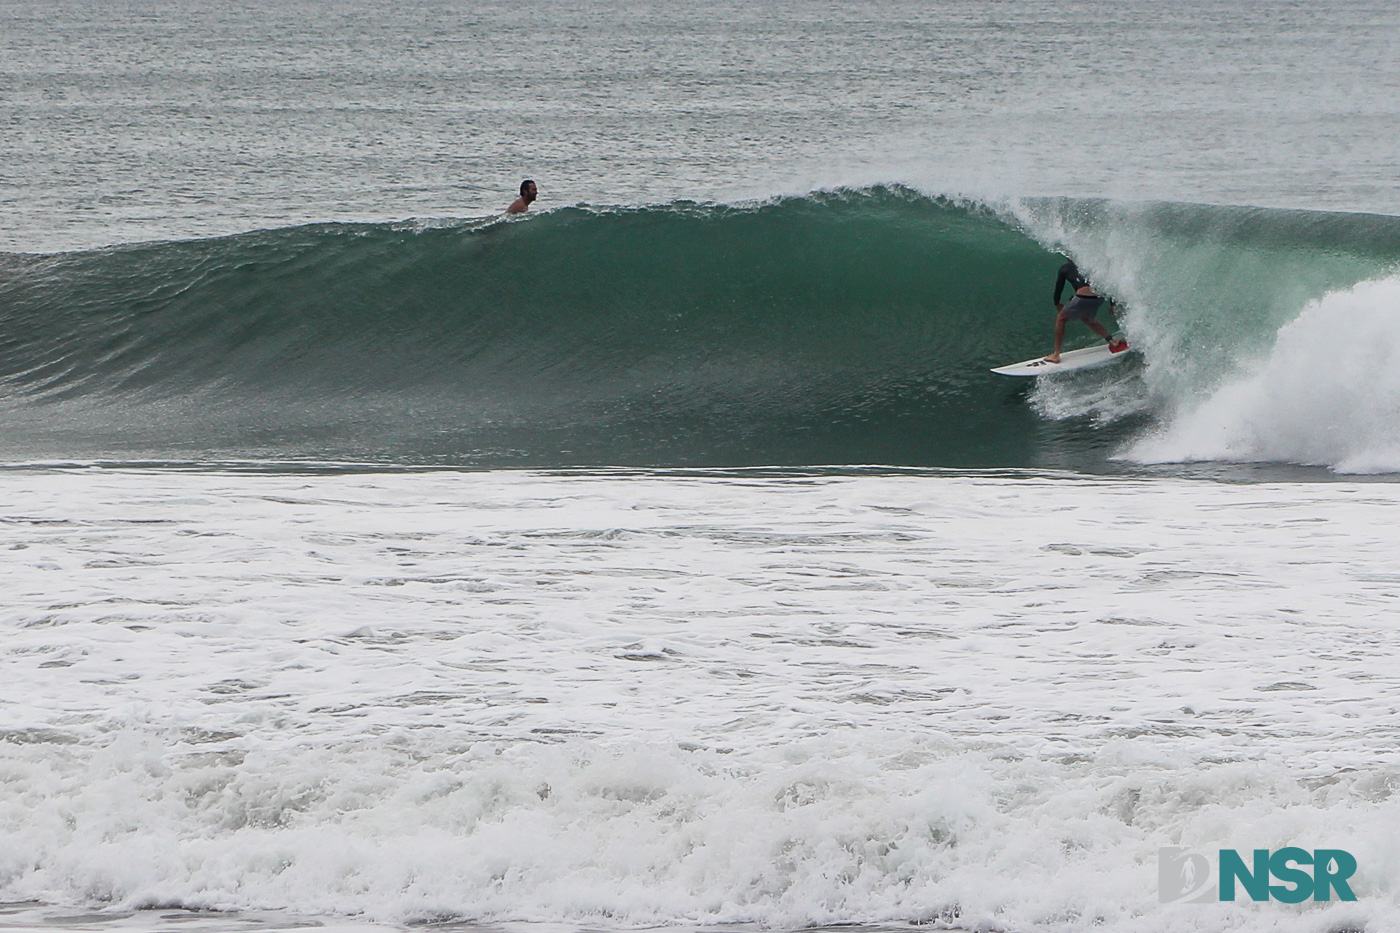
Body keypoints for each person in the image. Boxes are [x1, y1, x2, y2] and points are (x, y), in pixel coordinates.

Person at [1044, 258, 1128, 363]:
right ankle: (1111, 340)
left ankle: (1056, 354)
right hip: (1099, 298)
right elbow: (1108, 284)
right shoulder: (1089, 265)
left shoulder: (1065, 268)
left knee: (1061, 319)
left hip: (1083, 298)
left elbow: (1058, 289)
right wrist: (1112, 304)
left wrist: (1057, 303)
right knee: (1088, 319)